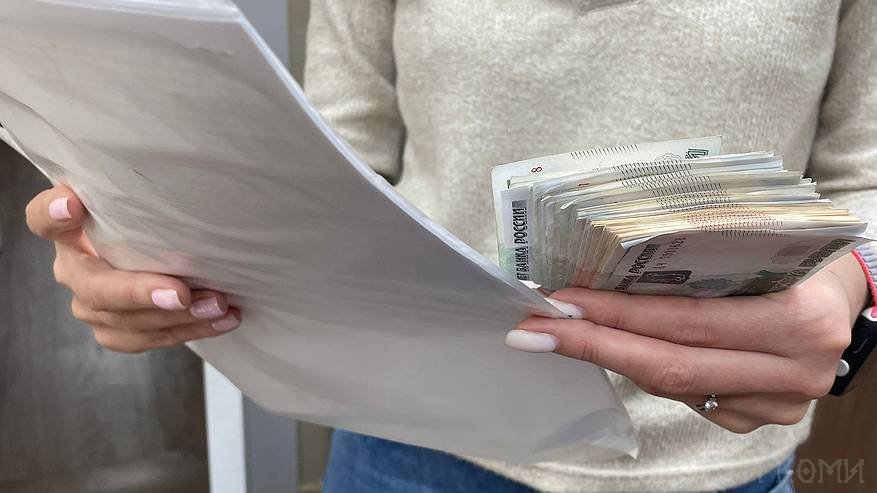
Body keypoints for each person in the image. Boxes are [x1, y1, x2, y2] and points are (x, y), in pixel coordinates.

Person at [23, 1, 876, 492]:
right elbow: (338, 162)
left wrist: (849, 289)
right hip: (411, 435)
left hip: (707, 456)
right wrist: (153, 241)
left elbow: (865, 175)